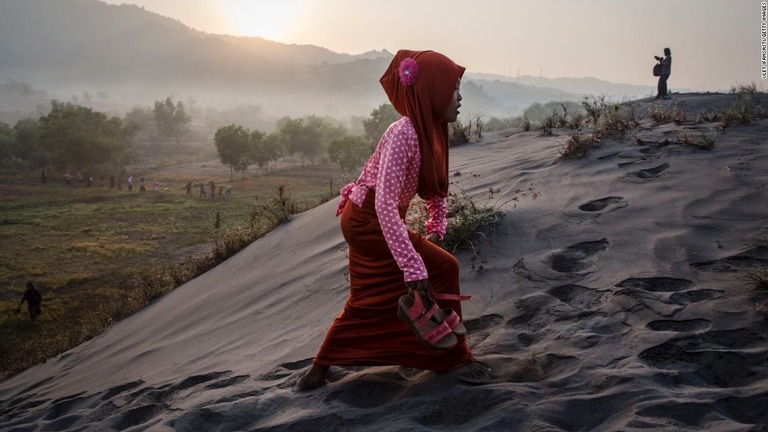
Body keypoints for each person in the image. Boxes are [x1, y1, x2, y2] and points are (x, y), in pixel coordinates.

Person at [297, 50, 488, 391]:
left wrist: (435, 228)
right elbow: (385, 203)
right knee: (444, 269)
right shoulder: (404, 134)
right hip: (369, 220)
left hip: (376, 220)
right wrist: (413, 266)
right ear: (431, 91)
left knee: (366, 299)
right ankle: (451, 358)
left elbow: (435, 189)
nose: (459, 98)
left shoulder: (432, 130)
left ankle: (319, 370)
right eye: (453, 89)